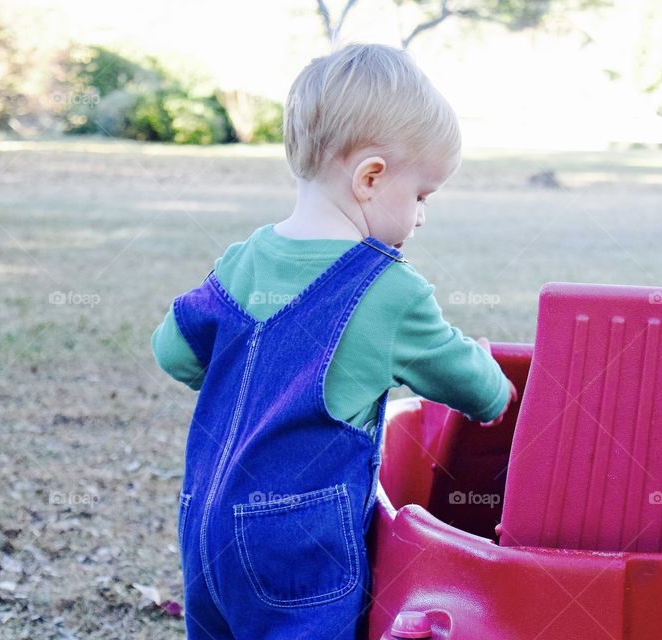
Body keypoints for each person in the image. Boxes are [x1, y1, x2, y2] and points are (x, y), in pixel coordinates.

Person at [150, 41, 518, 639]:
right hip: (299, 548)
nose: (421, 216)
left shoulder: (242, 261)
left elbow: (172, 350)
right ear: (371, 178)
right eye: (421, 196)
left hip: (203, 528)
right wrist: (497, 383)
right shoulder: (386, 289)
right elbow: (474, 388)